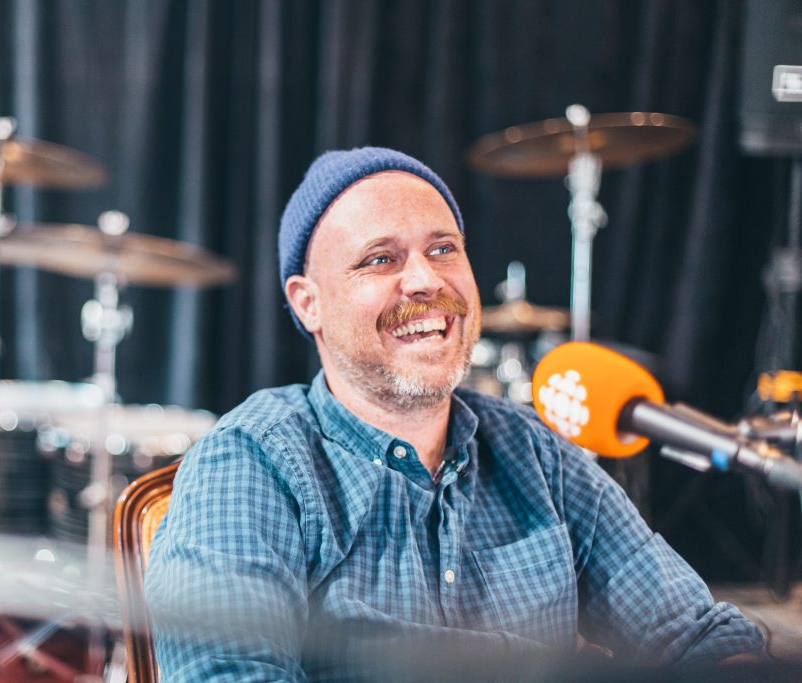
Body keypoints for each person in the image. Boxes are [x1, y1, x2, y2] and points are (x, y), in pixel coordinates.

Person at [143, 147, 765, 681]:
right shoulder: (253, 462)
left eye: (443, 249)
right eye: (380, 259)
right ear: (309, 304)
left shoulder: (535, 454)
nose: (424, 280)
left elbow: (696, 635)